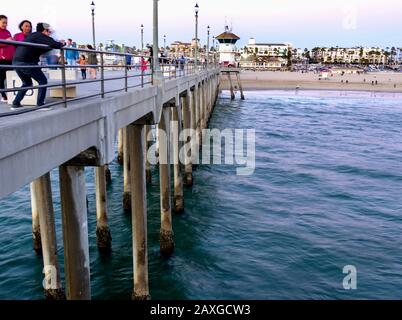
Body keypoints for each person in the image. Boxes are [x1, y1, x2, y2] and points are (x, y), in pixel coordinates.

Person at [11, 22, 65, 110]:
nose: (49, 34)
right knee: (42, 80)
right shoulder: (39, 35)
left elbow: (47, 47)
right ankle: (40, 104)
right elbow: (55, 44)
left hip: (16, 61)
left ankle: (16, 103)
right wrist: (62, 43)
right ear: (44, 30)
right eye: (49, 31)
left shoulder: (33, 36)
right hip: (26, 62)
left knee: (27, 83)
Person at [0, 15, 15, 103]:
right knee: (1, 78)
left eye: (6, 23)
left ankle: (9, 94)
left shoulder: (8, 31)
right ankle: (4, 96)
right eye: (3, 22)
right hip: (1, 58)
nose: (5, 24)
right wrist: (7, 41)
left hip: (9, 58)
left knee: (8, 77)